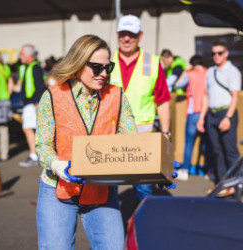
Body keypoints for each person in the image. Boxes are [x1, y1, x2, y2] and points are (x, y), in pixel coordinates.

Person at [35, 34, 137, 250]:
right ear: (79, 63)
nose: (102, 74)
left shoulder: (117, 97)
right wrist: (57, 165)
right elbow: (43, 144)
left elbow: (131, 143)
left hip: (101, 189)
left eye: (107, 68)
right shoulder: (53, 97)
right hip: (58, 188)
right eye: (96, 67)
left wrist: (156, 168)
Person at [110, 14, 171, 202]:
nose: (127, 39)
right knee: (107, 188)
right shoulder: (106, 62)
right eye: (123, 34)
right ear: (117, 34)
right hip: (111, 137)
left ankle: (142, 228)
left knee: (144, 190)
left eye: (132, 34)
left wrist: (166, 133)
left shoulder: (152, 63)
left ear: (140, 36)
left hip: (142, 140)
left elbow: (162, 101)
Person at [197, 41, 241, 188]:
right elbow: (206, 96)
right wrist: (202, 118)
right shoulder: (210, 71)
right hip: (211, 114)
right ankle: (222, 184)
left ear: (226, 53)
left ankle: (237, 184)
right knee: (216, 151)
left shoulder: (233, 71)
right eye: (213, 53)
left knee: (230, 151)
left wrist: (228, 118)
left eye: (219, 53)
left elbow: (235, 96)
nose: (216, 56)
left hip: (226, 112)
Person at [174, 55, 207, 181]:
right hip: (206, 111)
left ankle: (185, 170)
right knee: (206, 143)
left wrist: (185, 70)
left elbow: (177, 85)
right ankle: (208, 170)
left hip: (193, 112)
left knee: (189, 143)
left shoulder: (189, 73)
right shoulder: (208, 72)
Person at [16, 44, 46, 167]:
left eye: (22, 54)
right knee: (31, 129)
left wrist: (37, 103)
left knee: (28, 128)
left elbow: (40, 87)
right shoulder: (30, 67)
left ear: (29, 55)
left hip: (32, 103)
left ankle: (34, 156)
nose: (20, 56)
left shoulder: (35, 68)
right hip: (31, 103)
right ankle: (36, 155)